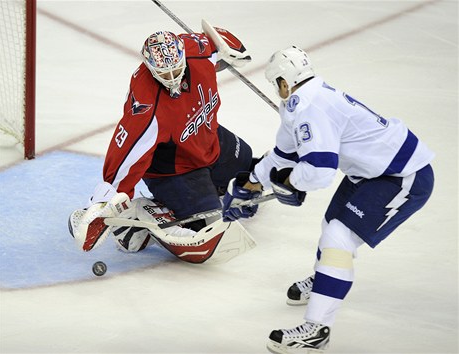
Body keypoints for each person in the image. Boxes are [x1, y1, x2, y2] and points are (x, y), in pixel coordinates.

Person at [222, 46, 435, 353]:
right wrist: (252, 183)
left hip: (403, 175)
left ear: (284, 81)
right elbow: (283, 153)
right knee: (331, 225)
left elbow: (320, 171)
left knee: (339, 238)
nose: (276, 88)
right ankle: (326, 279)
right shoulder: (300, 101)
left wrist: (289, 182)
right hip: (370, 171)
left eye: (276, 82)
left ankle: (317, 328)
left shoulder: (311, 108)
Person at [69, 22, 257, 255]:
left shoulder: (197, 52)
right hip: (173, 167)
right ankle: (143, 213)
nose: (172, 79)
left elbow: (229, 47)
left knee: (249, 167)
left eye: (176, 70)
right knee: (204, 226)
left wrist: (230, 49)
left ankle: (210, 185)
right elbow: (126, 154)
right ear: (150, 68)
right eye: (163, 74)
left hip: (208, 142)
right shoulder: (148, 106)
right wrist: (105, 202)